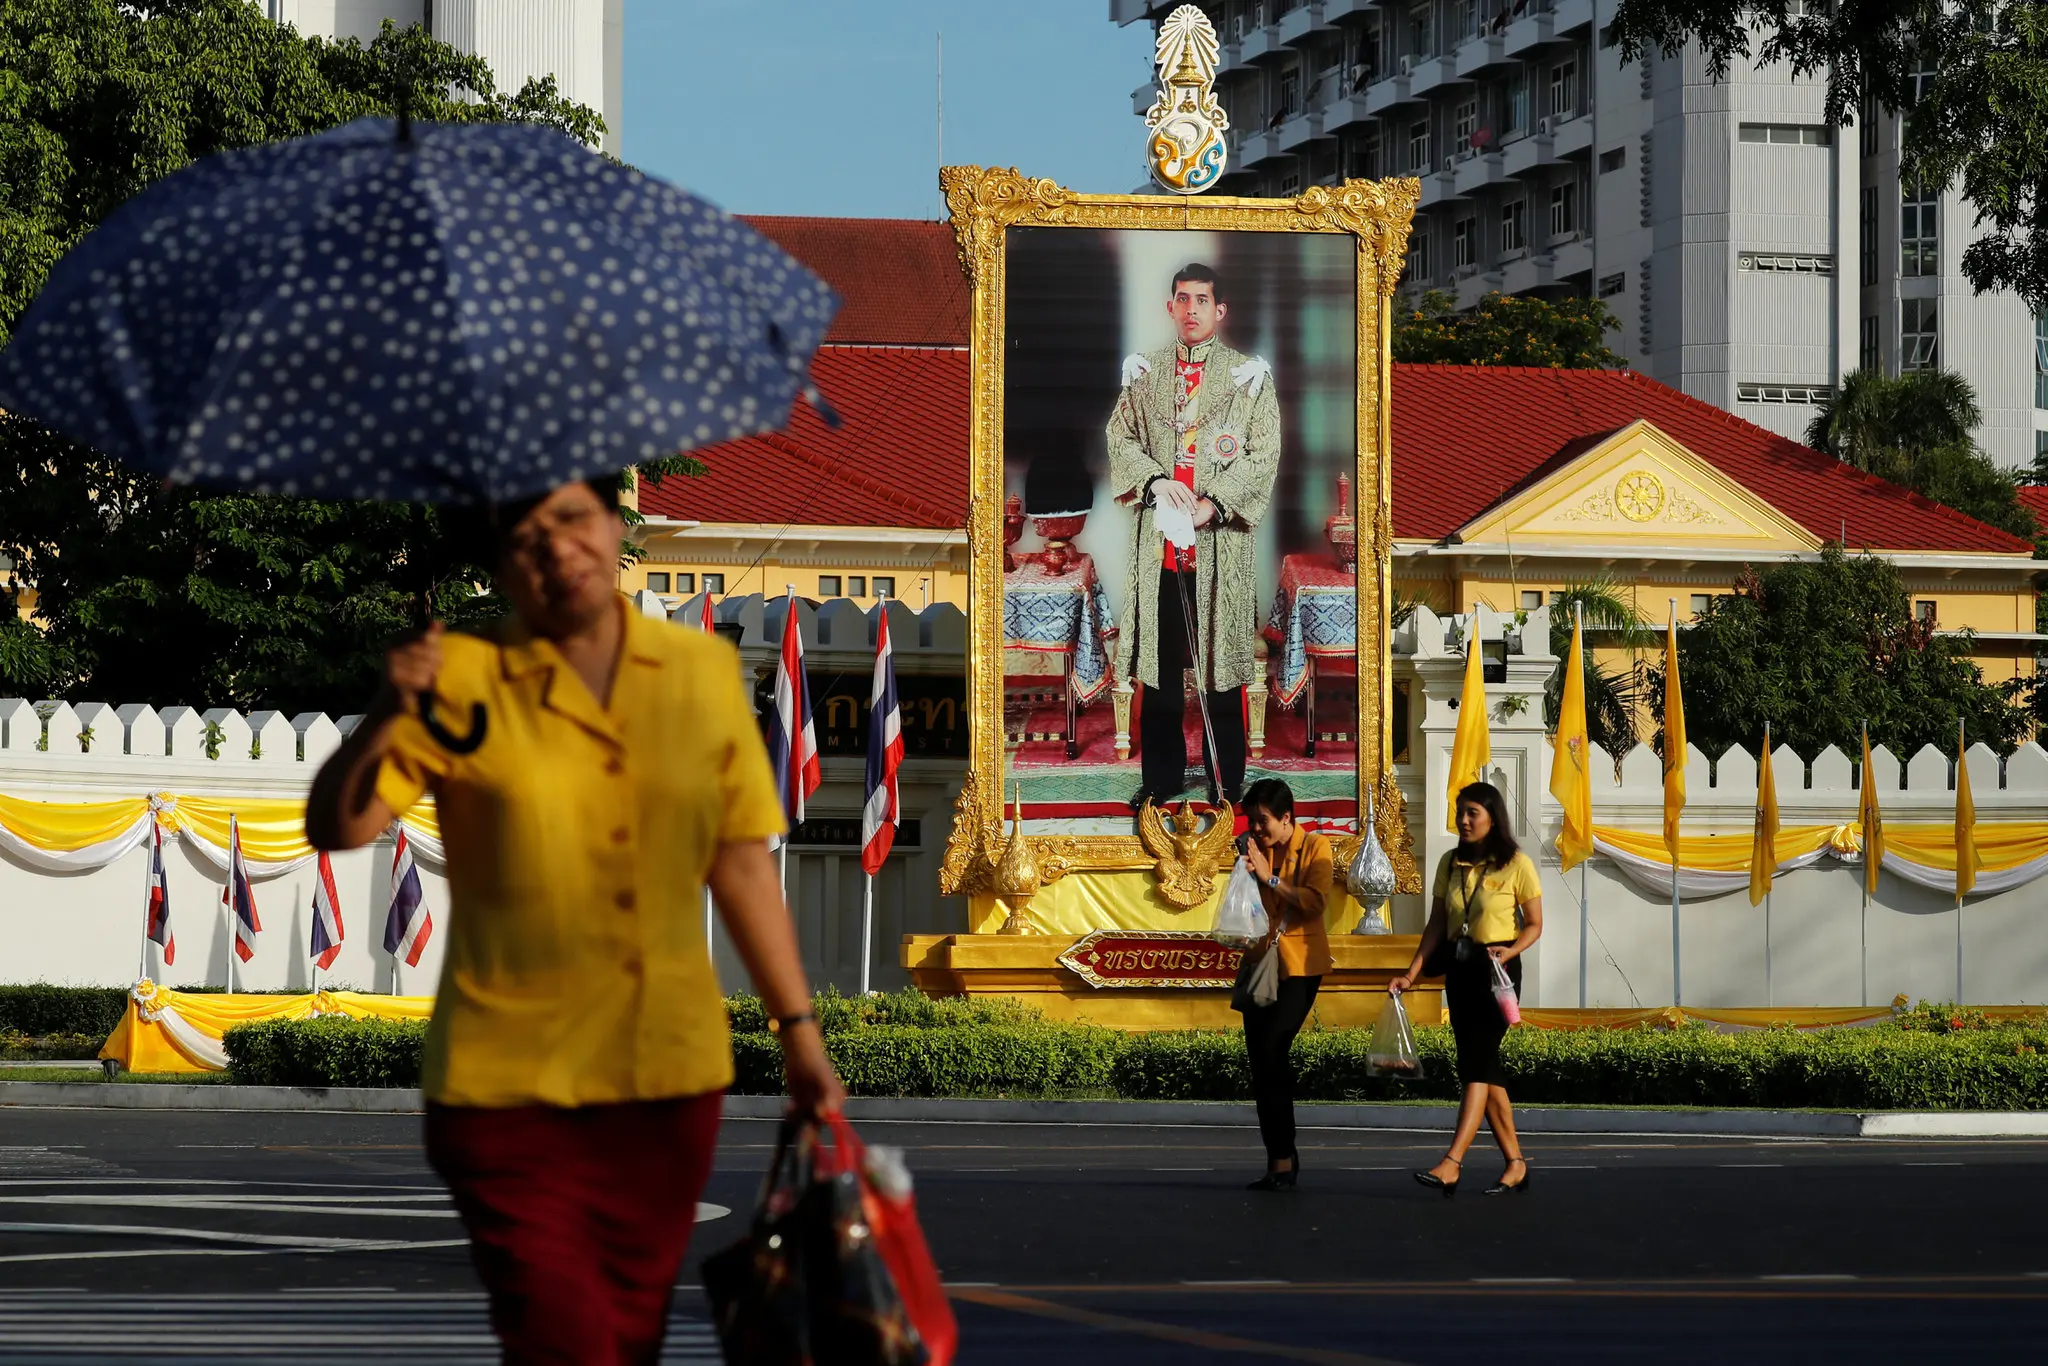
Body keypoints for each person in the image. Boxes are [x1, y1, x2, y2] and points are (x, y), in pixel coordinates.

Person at [306, 475, 845, 1364]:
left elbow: (738, 861)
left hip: (665, 1083)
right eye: (525, 539)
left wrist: (800, 1035)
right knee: (563, 1338)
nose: (557, 548)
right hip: (507, 1085)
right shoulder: (462, 681)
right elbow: (339, 825)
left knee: (627, 1336)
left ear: (612, 523)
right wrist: (384, 715)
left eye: (573, 518)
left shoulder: (698, 674)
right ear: (502, 571)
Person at [1106, 263, 1282, 809]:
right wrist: (1156, 480)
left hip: (1218, 550)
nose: (1191, 310)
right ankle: (1161, 783)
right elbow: (1119, 437)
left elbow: (1263, 453)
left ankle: (1226, 785)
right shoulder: (1146, 372)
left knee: (1221, 677)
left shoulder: (1246, 376)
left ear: (1219, 310)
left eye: (1202, 300)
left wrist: (1217, 503)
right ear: (1169, 307)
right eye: (1182, 299)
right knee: (1158, 681)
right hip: (1160, 550)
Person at [1389, 781, 1544, 1197]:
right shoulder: (1449, 862)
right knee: (1482, 1068)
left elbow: (1534, 924)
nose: (1463, 820)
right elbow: (1436, 925)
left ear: (1492, 817)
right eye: (1460, 812)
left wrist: (1510, 950)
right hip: (1460, 972)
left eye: (1472, 812)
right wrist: (1412, 974)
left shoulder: (1516, 864)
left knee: (1477, 1067)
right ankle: (1515, 1164)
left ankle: (1452, 1162)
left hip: (1499, 974)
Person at [1235, 777, 1333, 1191]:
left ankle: (1285, 1155)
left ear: (1287, 817)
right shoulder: (1256, 849)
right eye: (1252, 821)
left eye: (1263, 821)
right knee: (1260, 1061)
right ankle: (1278, 1158)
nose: (1257, 828)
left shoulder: (1315, 848)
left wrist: (1270, 877)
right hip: (1261, 959)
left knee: (1275, 1051)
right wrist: (1248, 869)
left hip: (1301, 965)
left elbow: (1314, 902)